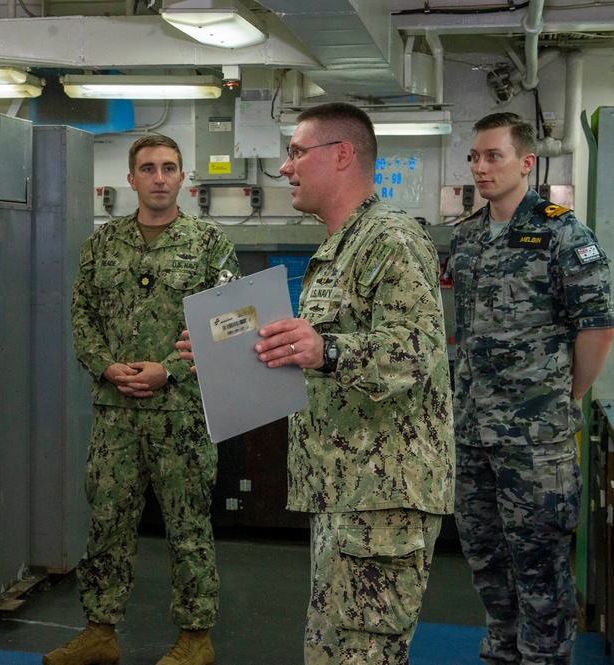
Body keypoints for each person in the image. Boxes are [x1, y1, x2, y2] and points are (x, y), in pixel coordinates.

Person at [182, 102, 454, 664]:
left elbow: (417, 353)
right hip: (345, 492)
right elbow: (309, 356)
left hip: (383, 499)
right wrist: (221, 357)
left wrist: (327, 348)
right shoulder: (337, 251)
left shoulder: (390, 241)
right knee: (333, 653)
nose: (284, 168)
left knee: (362, 655)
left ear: (343, 155)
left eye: (297, 152)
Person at [43, 134, 238, 665]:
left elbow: (233, 324)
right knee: (107, 522)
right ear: (131, 180)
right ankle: (100, 632)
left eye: (168, 168)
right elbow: (81, 316)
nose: (158, 177)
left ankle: (196, 639)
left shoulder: (210, 244)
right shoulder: (102, 246)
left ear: (182, 177)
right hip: (116, 413)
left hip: (182, 414)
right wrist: (107, 367)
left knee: (188, 525)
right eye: (147, 169)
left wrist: (168, 372)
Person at [448, 112, 614, 665]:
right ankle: (501, 652)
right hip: (473, 433)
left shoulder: (562, 232)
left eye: (493, 156)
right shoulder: (467, 238)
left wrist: (564, 395)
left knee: (540, 568)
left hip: (536, 441)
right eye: (474, 156)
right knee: (486, 560)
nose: (480, 167)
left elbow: (597, 325)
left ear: (526, 162)